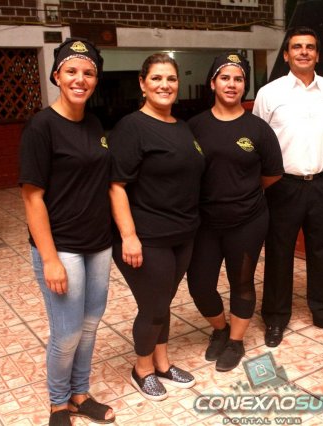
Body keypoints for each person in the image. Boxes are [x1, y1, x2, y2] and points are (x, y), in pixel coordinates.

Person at [19, 38, 115, 425]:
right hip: (62, 247)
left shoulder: (94, 123)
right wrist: (49, 259)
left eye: (88, 72)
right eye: (72, 71)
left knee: (90, 325)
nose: (80, 79)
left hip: (99, 244)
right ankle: (58, 403)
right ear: (57, 75)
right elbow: (32, 198)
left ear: (96, 80)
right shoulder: (41, 127)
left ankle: (80, 394)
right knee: (68, 331)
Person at [108, 53, 205, 400]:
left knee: (163, 301)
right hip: (148, 236)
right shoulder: (131, 127)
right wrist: (129, 236)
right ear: (143, 83)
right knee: (152, 305)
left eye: (171, 79)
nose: (165, 85)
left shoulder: (181, 126)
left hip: (182, 234)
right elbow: (116, 185)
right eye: (157, 78)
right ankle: (142, 369)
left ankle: (162, 363)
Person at [187, 53, 284, 371]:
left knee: (241, 281)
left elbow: (272, 173)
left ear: (245, 85)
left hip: (248, 220)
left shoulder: (258, 129)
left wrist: (241, 192)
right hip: (205, 222)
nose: (232, 84)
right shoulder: (194, 127)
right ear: (212, 83)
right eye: (225, 78)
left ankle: (236, 341)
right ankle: (220, 329)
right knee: (200, 285)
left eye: (238, 79)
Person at [253, 27, 323, 348]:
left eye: (309, 47)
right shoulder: (269, 93)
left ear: (317, 55)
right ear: (286, 54)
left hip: (322, 183)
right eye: (297, 47)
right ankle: (275, 318)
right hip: (283, 185)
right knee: (279, 251)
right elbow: (260, 140)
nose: (303, 52)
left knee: (321, 249)